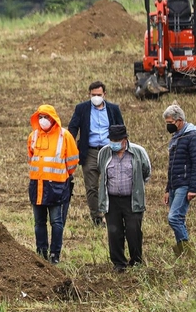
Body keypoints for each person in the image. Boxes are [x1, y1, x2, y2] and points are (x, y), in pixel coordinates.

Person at [67, 81, 125, 226]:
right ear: (89, 94)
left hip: (109, 151)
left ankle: (112, 214)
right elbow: (73, 128)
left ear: (104, 94)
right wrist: (68, 146)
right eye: (93, 95)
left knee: (113, 185)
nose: (96, 97)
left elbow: (121, 129)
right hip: (90, 152)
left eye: (99, 95)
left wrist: (123, 148)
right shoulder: (82, 109)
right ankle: (97, 217)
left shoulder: (113, 109)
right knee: (92, 187)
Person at [29, 104, 80, 263]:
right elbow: (31, 158)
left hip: (56, 186)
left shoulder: (64, 136)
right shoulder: (33, 136)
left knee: (57, 222)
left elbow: (72, 162)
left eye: (46, 117)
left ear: (53, 118)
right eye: (40, 117)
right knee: (39, 222)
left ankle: (54, 254)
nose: (43, 120)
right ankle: (41, 252)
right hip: (37, 185)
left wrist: (61, 176)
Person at [97, 124, 151, 273]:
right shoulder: (104, 153)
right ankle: (119, 263)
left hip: (132, 199)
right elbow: (101, 169)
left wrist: (138, 187)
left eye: (117, 140)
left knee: (133, 231)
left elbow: (146, 172)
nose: (113, 143)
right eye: (111, 140)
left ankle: (136, 261)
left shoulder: (138, 152)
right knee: (114, 232)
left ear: (125, 139)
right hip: (112, 200)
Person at [163, 103, 196, 256]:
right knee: (178, 219)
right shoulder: (177, 137)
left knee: (174, 218)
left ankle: (187, 253)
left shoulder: (193, 136)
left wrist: (193, 188)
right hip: (175, 184)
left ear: (179, 120)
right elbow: (172, 165)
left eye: (170, 123)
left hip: (185, 184)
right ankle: (182, 254)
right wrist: (168, 188)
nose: (168, 126)